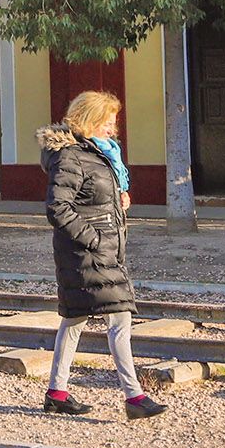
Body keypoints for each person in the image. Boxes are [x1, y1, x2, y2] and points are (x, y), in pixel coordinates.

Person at [35, 90, 164, 419]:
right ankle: (134, 397)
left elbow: (91, 199)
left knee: (74, 320)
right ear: (88, 121)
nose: (113, 128)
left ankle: (57, 393)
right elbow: (58, 207)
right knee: (119, 317)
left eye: (114, 122)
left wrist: (119, 201)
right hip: (87, 253)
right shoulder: (71, 157)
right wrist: (93, 239)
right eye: (107, 122)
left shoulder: (99, 155)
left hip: (100, 251)